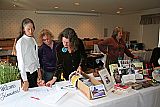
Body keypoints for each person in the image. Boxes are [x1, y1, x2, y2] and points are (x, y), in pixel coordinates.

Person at [16, 18, 42, 91]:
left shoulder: (33, 40)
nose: (31, 31)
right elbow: (21, 62)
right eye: (28, 29)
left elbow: (36, 57)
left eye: (32, 29)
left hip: (34, 72)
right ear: (24, 29)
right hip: (26, 74)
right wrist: (25, 80)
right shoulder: (21, 42)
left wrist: (39, 70)